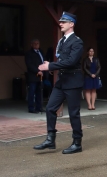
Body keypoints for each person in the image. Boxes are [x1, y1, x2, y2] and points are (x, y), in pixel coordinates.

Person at [34, 12, 84, 154]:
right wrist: (52, 64)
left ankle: (77, 143)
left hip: (73, 81)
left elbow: (70, 62)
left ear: (71, 24)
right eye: (60, 21)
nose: (60, 23)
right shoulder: (62, 41)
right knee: (50, 108)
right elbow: (61, 60)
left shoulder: (77, 41)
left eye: (64, 22)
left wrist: (50, 66)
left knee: (74, 113)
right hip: (62, 81)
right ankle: (51, 139)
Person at [25, 39, 45, 113]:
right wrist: (37, 71)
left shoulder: (41, 52)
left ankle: (39, 107)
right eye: (35, 43)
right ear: (31, 45)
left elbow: (44, 61)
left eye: (38, 43)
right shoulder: (29, 53)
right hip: (33, 76)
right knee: (32, 92)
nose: (36, 45)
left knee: (39, 93)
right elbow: (29, 65)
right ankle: (31, 108)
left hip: (41, 76)